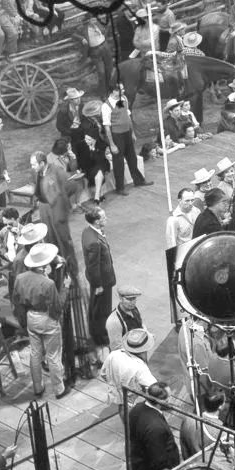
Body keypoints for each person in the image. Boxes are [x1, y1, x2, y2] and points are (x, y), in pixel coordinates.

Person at [14, 242, 70, 399]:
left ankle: (37, 387)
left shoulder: (20, 278)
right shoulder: (48, 283)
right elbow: (58, 306)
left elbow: (16, 300)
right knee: (53, 355)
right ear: (42, 266)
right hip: (47, 318)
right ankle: (59, 389)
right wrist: (65, 287)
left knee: (35, 353)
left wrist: (23, 321)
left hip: (31, 316)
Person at [100, 83, 152, 195]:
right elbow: (107, 127)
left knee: (132, 157)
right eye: (120, 90)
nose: (123, 91)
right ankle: (120, 188)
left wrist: (132, 132)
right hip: (116, 136)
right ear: (113, 91)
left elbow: (128, 117)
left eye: (123, 89)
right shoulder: (106, 106)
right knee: (118, 162)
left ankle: (138, 180)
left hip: (127, 133)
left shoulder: (124, 99)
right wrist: (112, 144)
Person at [127, 376, 178, 470]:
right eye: (169, 397)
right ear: (161, 401)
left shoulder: (136, 409)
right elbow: (159, 460)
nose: (171, 400)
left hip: (139, 463)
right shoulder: (156, 428)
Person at [82, 206, 115, 359]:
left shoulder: (89, 232)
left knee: (98, 309)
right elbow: (93, 266)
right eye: (103, 217)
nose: (106, 219)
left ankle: (98, 333)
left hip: (101, 279)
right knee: (102, 311)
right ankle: (102, 339)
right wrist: (99, 285)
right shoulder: (94, 242)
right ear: (96, 222)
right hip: (102, 281)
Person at [104, 284, 144, 351]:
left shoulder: (134, 309)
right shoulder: (114, 321)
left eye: (134, 298)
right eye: (129, 299)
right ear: (120, 298)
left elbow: (140, 325)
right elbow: (117, 349)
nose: (132, 302)